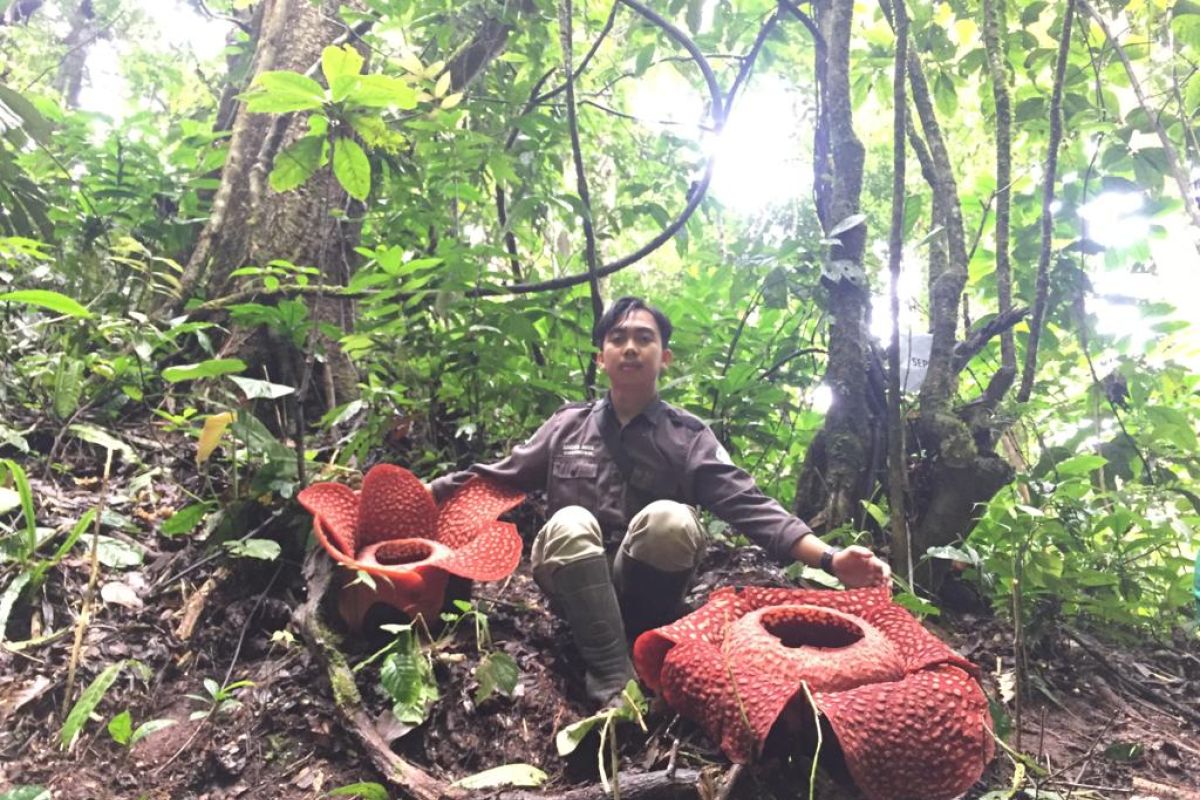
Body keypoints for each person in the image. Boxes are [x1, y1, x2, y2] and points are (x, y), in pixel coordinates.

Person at [431, 297, 890, 703]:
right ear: (601, 357)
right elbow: (497, 477)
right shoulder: (566, 427)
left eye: (643, 338)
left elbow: (747, 504)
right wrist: (426, 495)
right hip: (573, 578)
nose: (630, 347)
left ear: (664, 356)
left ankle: (641, 639)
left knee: (670, 518)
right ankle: (613, 679)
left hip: (644, 584)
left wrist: (830, 560)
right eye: (618, 338)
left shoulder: (687, 436)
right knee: (569, 520)